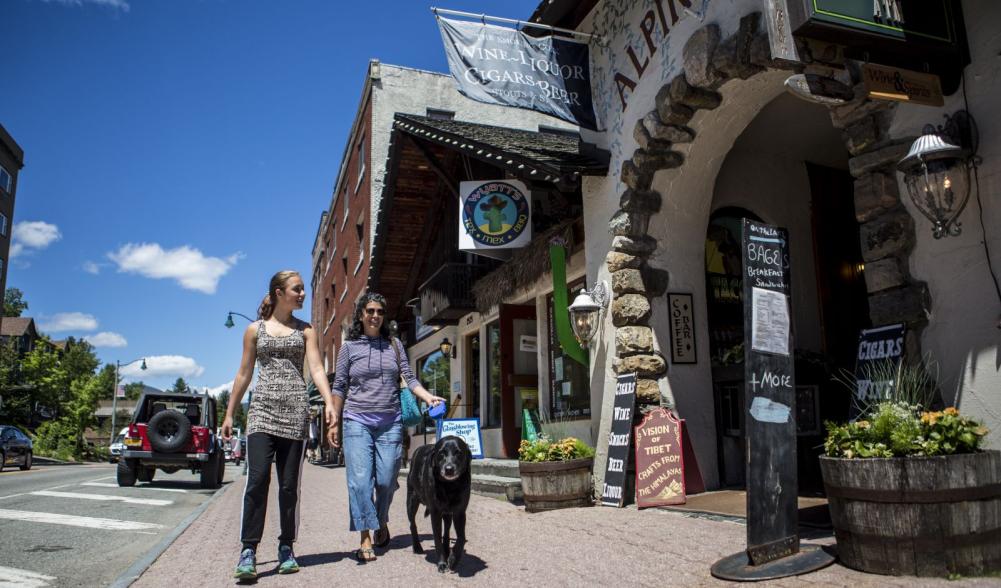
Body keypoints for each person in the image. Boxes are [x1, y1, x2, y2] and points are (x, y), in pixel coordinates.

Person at [221, 270, 339, 580]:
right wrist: (230, 413)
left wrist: (328, 402)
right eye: (297, 289)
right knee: (257, 480)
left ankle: (286, 546)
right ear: (278, 292)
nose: (303, 294)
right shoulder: (254, 330)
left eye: (303, 289)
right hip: (261, 413)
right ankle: (248, 550)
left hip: (295, 414)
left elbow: (315, 368)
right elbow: (244, 373)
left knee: (289, 487)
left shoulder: (306, 331)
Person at [330, 292, 443, 562]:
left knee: (386, 480)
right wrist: (334, 417)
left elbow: (409, 377)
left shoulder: (394, 345)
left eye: (380, 311)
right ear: (361, 314)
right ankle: (365, 536)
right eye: (370, 311)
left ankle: (380, 520)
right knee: (359, 483)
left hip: (390, 422)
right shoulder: (349, 348)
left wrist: (427, 396)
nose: (375, 316)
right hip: (356, 421)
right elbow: (340, 385)